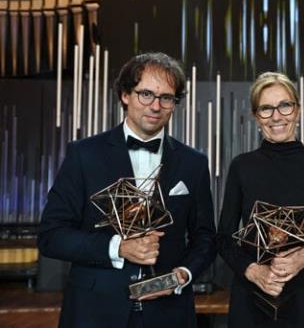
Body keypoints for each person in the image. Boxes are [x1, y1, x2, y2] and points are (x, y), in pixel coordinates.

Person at [38, 52, 216, 328]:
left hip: (169, 314)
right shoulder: (83, 155)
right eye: (145, 94)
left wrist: (182, 275)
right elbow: (52, 235)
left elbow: (204, 237)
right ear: (125, 95)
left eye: (166, 97)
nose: (155, 106)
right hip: (94, 312)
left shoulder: (193, 162)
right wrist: (118, 247)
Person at [217, 72, 304, 328]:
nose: (276, 116)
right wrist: (254, 271)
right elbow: (224, 237)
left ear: (298, 110)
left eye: (284, 105)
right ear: (255, 116)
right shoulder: (241, 166)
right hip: (252, 298)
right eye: (266, 108)